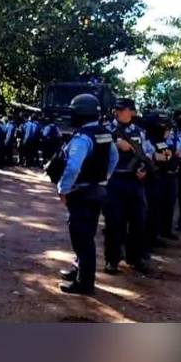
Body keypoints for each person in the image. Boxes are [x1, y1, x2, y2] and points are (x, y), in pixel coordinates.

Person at [57, 94, 118, 295]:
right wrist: (104, 179)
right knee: (87, 233)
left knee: (81, 237)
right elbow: (114, 157)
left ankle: (84, 283)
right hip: (97, 190)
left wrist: (63, 188)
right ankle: (78, 270)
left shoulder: (83, 137)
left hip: (81, 192)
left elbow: (73, 166)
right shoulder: (105, 133)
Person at [104, 97, 149, 274]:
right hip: (114, 180)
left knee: (138, 220)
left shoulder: (139, 132)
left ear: (132, 112)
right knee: (114, 222)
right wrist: (115, 143)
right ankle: (112, 260)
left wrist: (143, 169)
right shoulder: (107, 129)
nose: (118, 112)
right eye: (117, 109)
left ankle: (135, 257)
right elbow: (99, 149)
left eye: (122, 109)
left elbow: (145, 153)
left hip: (134, 181)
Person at [142, 112, 180, 248]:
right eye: (165, 128)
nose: (168, 131)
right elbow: (149, 157)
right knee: (152, 210)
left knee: (165, 207)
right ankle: (149, 239)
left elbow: (167, 157)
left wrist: (170, 157)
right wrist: (158, 157)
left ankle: (159, 234)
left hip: (166, 178)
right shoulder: (148, 141)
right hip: (153, 180)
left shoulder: (162, 142)